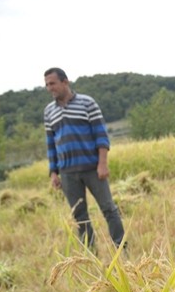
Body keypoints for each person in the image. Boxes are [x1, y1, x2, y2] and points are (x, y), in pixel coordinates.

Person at [43, 67, 125, 250]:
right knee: (79, 215)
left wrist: (102, 163)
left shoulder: (87, 103)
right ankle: (91, 255)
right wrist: (53, 172)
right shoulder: (49, 112)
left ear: (65, 82)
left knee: (108, 209)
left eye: (53, 83)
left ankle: (121, 249)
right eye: (47, 85)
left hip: (92, 168)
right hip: (67, 172)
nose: (49, 88)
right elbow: (51, 144)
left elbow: (101, 135)